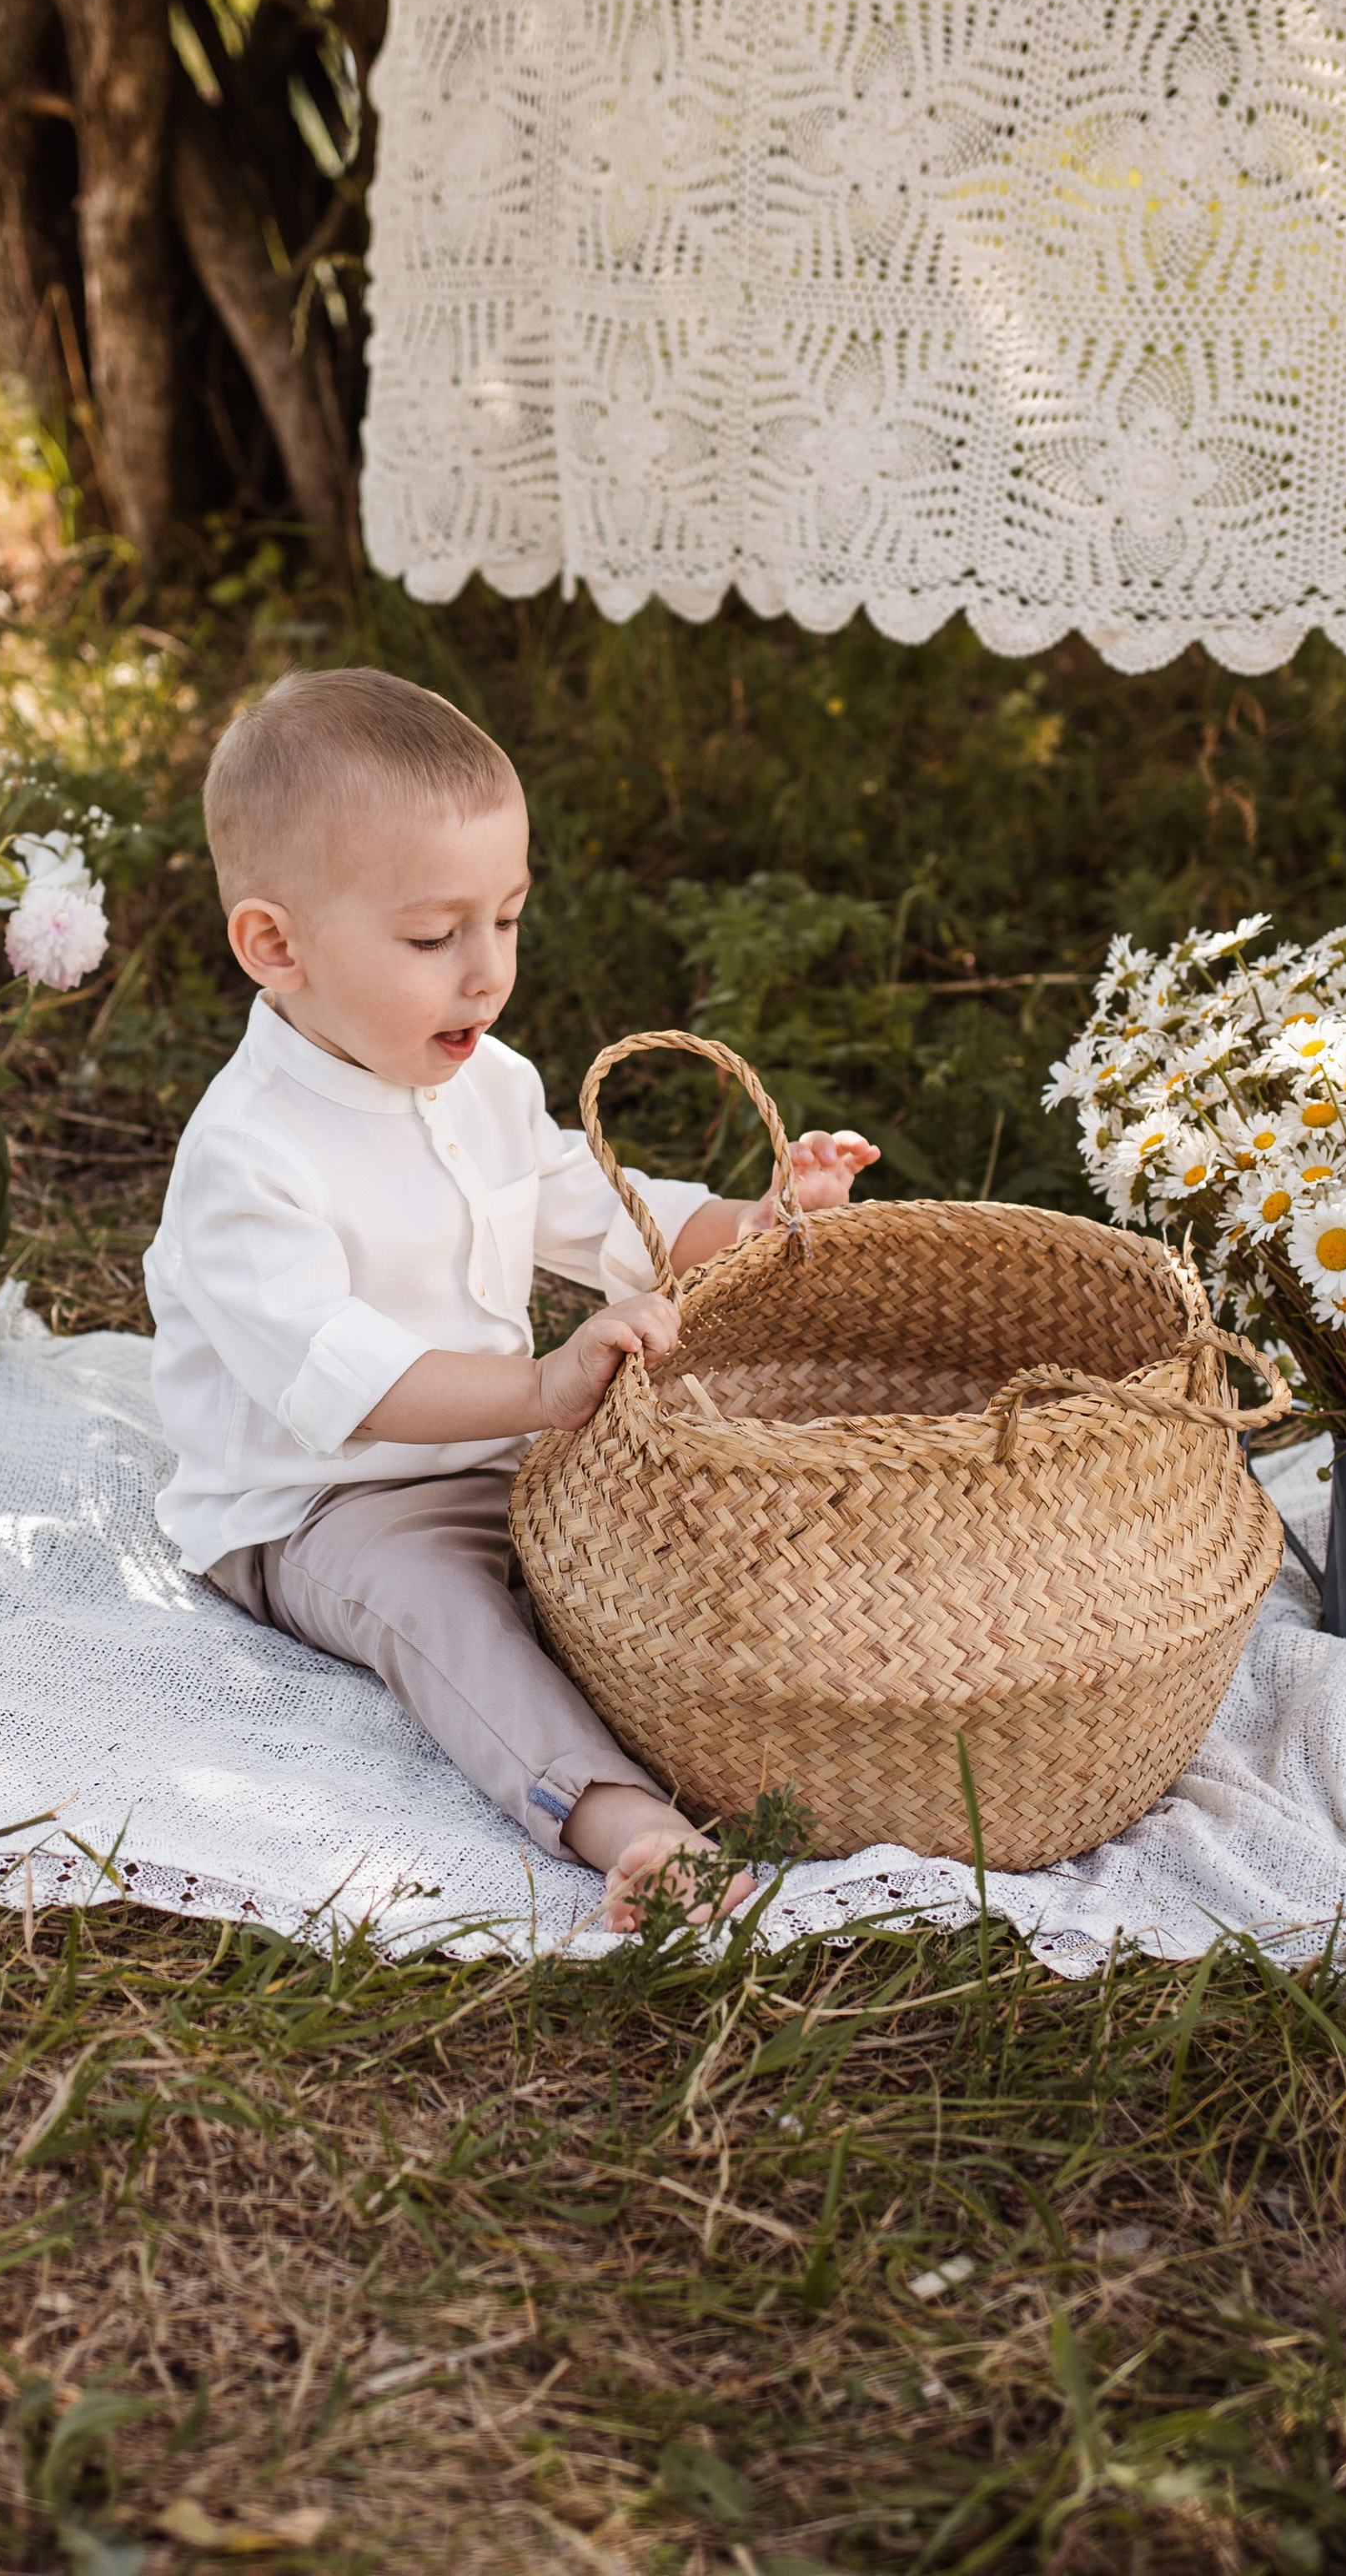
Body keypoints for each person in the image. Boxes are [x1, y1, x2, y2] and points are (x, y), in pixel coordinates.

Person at [143, 668, 877, 1930]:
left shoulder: (486, 1081)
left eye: (510, 919)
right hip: (324, 1504)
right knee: (449, 1620)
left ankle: (825, 1727)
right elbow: (349, 1382)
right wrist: (541, 1391)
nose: (485, 973)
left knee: (695, 1533)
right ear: (277, 946)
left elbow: (600, 1214)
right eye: (433, 938)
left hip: (507, 1451)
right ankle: (616, 1818)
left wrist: (755, 1225)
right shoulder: (249, 1157)